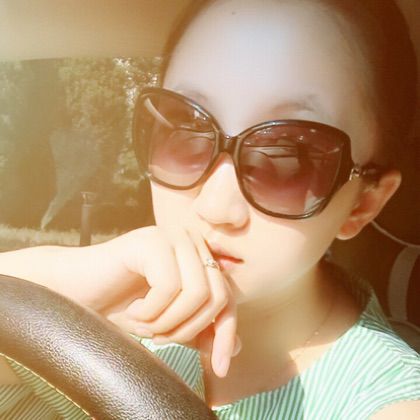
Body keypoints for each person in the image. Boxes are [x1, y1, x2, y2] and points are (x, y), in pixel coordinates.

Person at [0, 0, 419, 418]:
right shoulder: (115, 297)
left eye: (288, 156)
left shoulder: (384, 403)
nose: (215, 207)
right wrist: (61, 288)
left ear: (363, 203)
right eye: (186, 129)